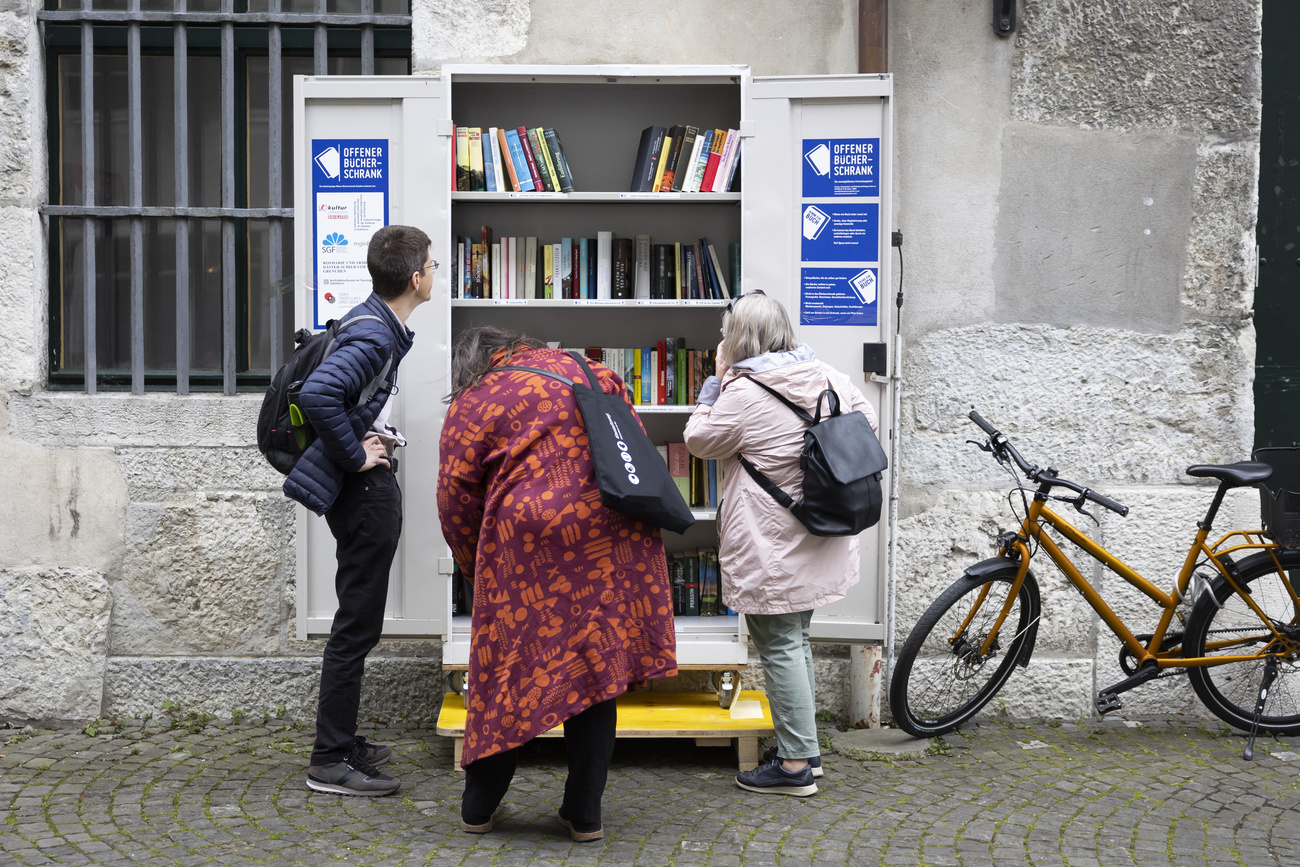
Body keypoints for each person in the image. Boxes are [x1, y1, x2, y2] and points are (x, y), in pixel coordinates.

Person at [437, 326, 677, 841]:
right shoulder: (592, 371)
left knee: (505, 667)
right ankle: (584, 812)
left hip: (527, 542)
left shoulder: (477, 396)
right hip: (611, 533)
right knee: (595, 662)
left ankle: (479, 807)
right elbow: (628, 449)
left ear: (470, 364)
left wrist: (472, 564)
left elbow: (454, 494)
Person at [684, 290, 878, 797]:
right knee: (795, 641)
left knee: (780, 646)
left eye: (725, 334)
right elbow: (866, 429)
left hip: (774, 542)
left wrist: (711, 390)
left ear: (738, 339)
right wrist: (807, 461)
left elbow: (699, 442)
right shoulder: (830, 375)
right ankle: (805, 752)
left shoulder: (743, 394)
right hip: (820, 530)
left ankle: (793, 767)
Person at [284, 224, 436, 797]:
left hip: (363, 493)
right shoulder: (375, 335)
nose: (435, 274)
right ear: (415, 277)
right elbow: (319, 394)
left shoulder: (373, 321)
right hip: (362, 497)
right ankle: (328, 760)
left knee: (359, 623)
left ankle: (343, 742)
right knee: (355, 628)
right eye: (432, 265)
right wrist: (355, 459)